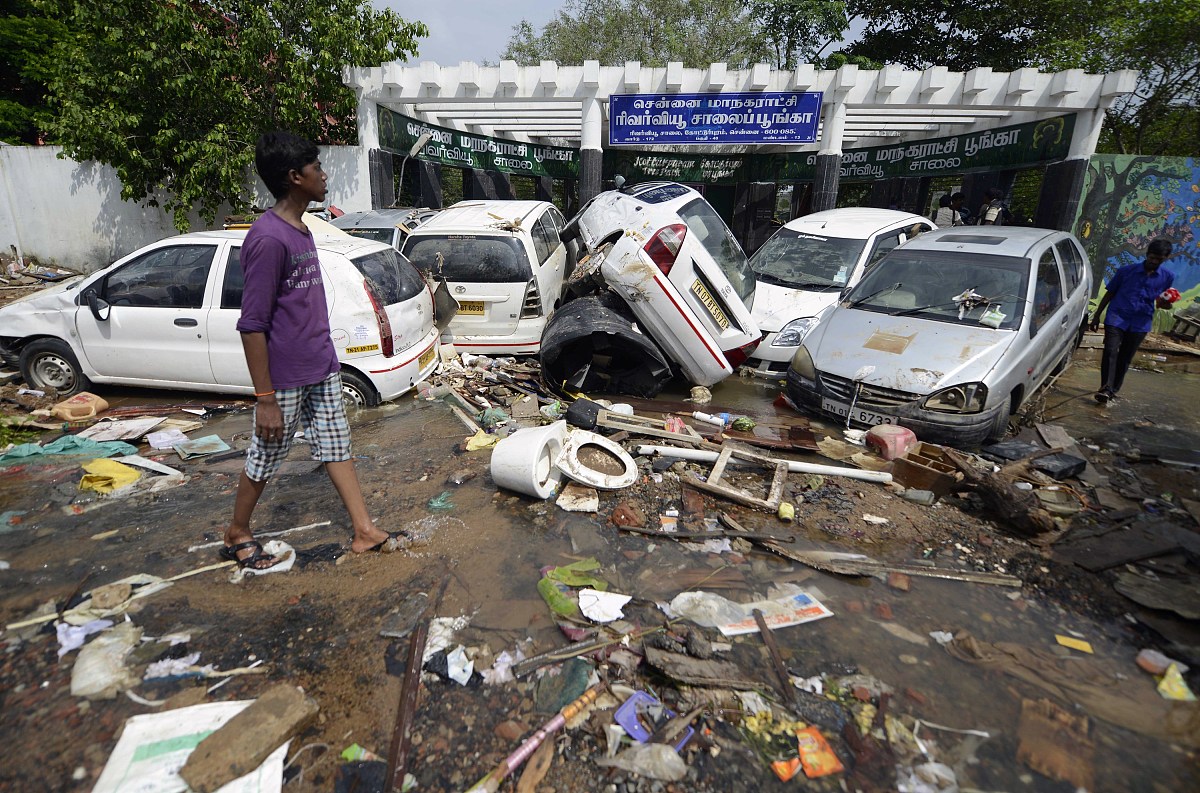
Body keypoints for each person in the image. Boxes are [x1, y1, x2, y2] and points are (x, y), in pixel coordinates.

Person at [222, 131, 399, 569]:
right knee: (266, 455)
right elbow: (252, 325)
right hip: (284, 376)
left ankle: (363, 530)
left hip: (321, 365)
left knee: (338, 446)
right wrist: (265, 399)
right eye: (316, 168)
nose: (323, 175)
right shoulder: (267, 238)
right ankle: (237, 531)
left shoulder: (302, 229)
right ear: (294, 177)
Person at [1088, 238, 1176, 404]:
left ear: (1165, 258)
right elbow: (1110, 293)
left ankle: (1112, 390)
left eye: (1158, 259)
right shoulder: (1126, 271)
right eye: (1151, 257)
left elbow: (1163, 303)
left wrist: (1166, 305)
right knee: (1110, 350)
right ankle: (1105, 388)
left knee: (1125, 357)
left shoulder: (1167, 277)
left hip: (1140, 322)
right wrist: (1097, 315)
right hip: (1117, 317)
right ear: (1147, 254)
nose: (1153, 261)